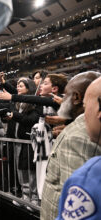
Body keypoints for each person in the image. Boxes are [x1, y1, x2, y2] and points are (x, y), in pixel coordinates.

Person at [41, 71, 101, 220]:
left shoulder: (78, 138)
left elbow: (75, 202)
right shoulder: (77, 129)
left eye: (65, 95)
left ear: (76, 98)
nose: (62, 99)